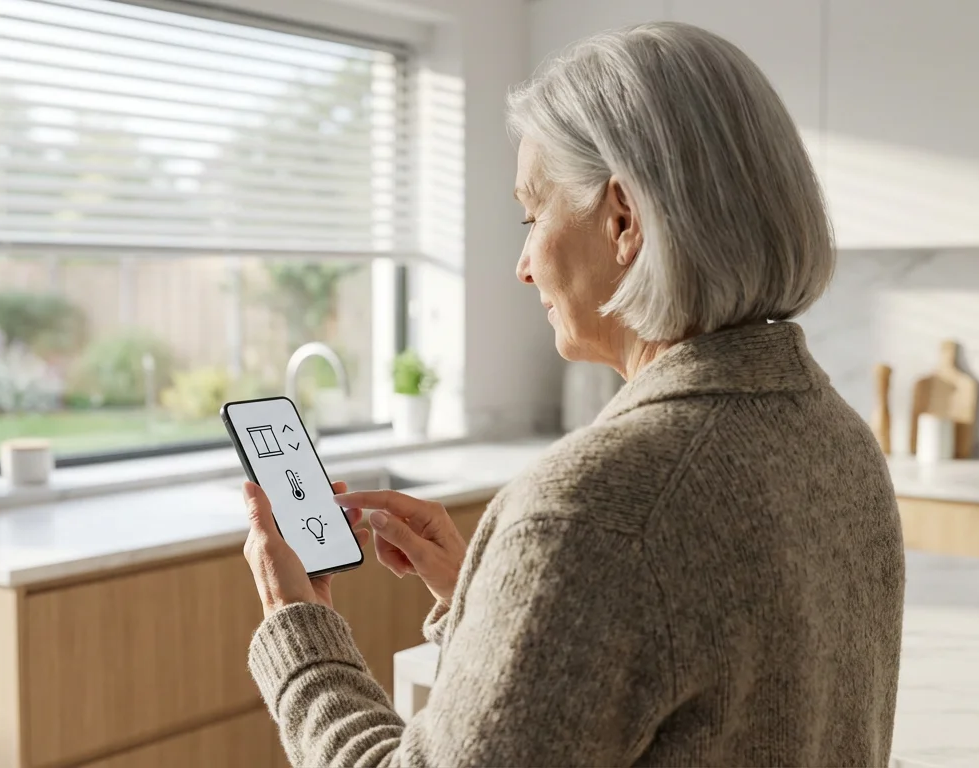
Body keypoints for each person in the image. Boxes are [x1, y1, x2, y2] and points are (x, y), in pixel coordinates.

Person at [239, 21, 904, 767]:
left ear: (622, 219)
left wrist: (300, 629)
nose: (523, 265)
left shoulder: (592, 510)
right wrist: (496, 611)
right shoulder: (839, 440)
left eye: (533, 215)